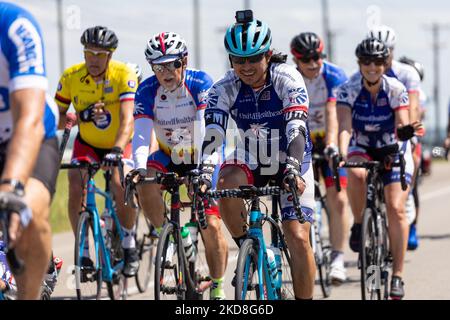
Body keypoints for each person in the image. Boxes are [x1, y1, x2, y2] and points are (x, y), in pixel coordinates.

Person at [200, 11, 316, 300]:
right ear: (231, 61)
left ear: (268, 55)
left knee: (298, 237)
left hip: (291, 154)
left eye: (254, 58)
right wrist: (204, 172)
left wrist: (291, 168)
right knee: (224, 183)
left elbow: (297, 129)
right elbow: (213, 136)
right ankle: (251, 250)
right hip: (252, 155)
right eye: (239, 60)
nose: (247, 66)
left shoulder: (287, 78)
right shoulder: (222, 88)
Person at [131, 32, 228, 300]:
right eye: (158, 66)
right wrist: (138, 169)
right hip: (167, 154)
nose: (166, 72)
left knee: (210, 224)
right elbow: (140, 134)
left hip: (201, 152)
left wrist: (202, 171)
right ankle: (171, 234)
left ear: (184, 61)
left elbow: (207, 130)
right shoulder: (147, 89)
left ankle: (217, 286)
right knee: (145, 182)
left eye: (172, 64)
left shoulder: (200, 83)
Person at [336, 38, 422, 299]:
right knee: (355, 172)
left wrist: (405, 130)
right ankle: (361, 224)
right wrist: (342, 154)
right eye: (366, 62)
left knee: (395, 207)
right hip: (361, 144)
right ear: (360, 64)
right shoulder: (348, 89)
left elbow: (402, 123)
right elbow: (344, 127)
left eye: (377, 62)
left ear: (385, 63)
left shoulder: (396, 88)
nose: (372, 67)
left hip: (391, 146)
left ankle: (397, 275)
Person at [55, 26, 139, 277]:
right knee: (74, 183)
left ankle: (128, 241)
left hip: (119, 141)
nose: (93, 59)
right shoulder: (71, 77)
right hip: (88, 143)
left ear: (110, 55)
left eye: (100, 54)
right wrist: (82, 115)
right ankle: (82, 250)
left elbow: (128, 120)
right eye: (89, 52)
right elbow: (57, 119)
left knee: (118, 181)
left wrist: (116, 149)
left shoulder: (123, 74)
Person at [0, 2, 59, 299]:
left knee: (25, 210)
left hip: (30, 135)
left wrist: (10, 189)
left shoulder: (15, 26)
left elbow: (29, 120)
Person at [290, 32, 349, 284]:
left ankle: (337, 258)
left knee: (338, 198)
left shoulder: (333, 75)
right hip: (301, 140)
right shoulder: (290, 77)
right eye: (306, 59)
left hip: (328, 137)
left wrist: (333, 146)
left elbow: (333, 111)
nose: (313, 63)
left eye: (317, 57)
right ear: (296, 60)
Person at [398, 56, 427, 250]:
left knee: (412, 181)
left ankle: (413, 227)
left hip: (411, 137)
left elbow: (418, 114)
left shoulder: (420, 94)